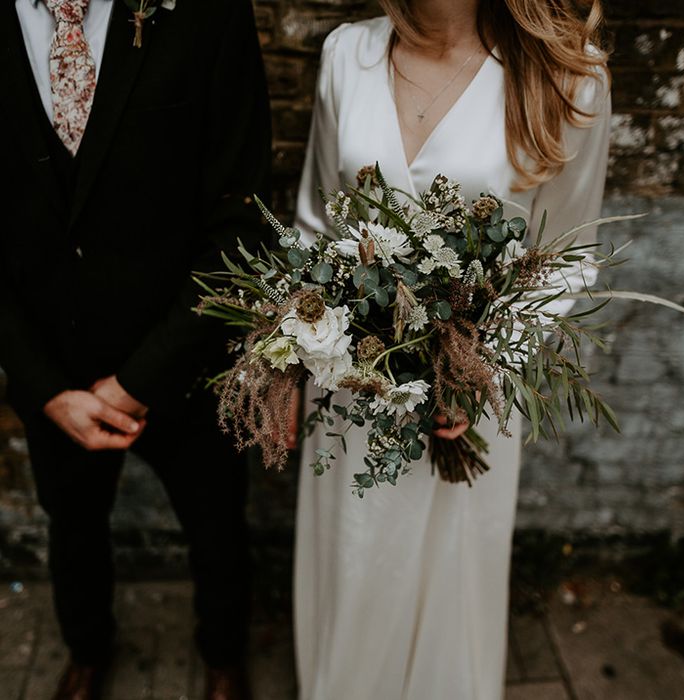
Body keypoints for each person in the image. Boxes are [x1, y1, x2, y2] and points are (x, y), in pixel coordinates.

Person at [292, 0, 611, 698]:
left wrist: (480, 365)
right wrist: (320, 344)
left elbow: (569, 256)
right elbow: (316, 221)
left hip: (473, 390)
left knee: (450, 574)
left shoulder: (564, 77)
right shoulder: (349, 55)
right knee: (357, 563)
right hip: (354, 389)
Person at [0, 0, 271, 698]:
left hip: (188, 354)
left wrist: (141, 376)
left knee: (216, 527)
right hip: (49, 365)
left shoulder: (208, 12)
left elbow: (241, 220)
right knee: (73, 528)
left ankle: (223, 657)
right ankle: (86, 651)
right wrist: (43, 386)